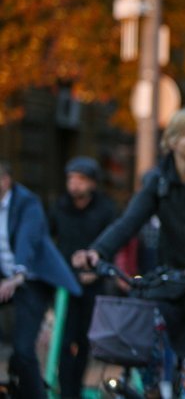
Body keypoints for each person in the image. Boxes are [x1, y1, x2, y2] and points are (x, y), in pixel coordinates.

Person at [71, 107, 185, 397]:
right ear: (172, 141)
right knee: (146, 329)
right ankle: (152, 390)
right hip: (174, 281)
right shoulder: (158, 180)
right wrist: (97, 252)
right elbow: (129, 221)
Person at [0, 160, 82, 399]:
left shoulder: (27, 203)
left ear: (5, 181)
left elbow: (28, 240)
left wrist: (18, 275)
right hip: (5, 278)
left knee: (24, 350)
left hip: (32, 281)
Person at [49, 156, 117, 399]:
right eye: (71, 179)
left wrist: (95, 272)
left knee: (87, 341)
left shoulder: (106, 209)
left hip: (94, 285)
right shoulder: (59, 207)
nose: (74, 184)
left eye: (80, 179)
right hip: (65, 284)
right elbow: (49, 241)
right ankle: (66, 391)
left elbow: (113, 243)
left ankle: (76, 390)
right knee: (64, 341)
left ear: (92, 183)